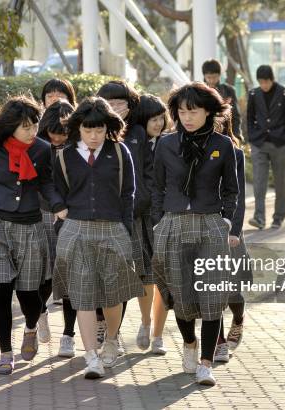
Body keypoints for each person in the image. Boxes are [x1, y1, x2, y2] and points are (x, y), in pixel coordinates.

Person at [0, 96, 67, 375]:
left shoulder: (43, 149)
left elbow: (47, 183)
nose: (32, 131)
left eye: (35, 125)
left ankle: (32, 327)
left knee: (29, 295)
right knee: (1, 291)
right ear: (11, 126)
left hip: (31, 227)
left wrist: (59, 206)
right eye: (25, 126)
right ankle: (5, 353)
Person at [151, 82, 239, 386]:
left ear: (208, 111)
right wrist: (158, 222)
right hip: (174, 224)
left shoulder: (223, 145)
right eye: (182, 111)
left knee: (213, 296)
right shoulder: (165, 144)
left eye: (194, 111)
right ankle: (189, 343)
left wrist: (226, 223)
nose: (187, 117)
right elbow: (156, 187)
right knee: (182, 296)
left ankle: (206, 363)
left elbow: (231, 191)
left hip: (210, 225)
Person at [52, 97, 144, 379]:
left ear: (108, 129)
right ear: (78, 128)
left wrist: (126, 231)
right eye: (88, 130)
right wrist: (58, 207)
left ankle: (112, 340)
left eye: (99, 131)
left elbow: (128, 194)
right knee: (83, 297)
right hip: (76, 229)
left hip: (113, 229)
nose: (93, 136)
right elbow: (52, 187)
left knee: (113, 295)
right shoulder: (64, 156)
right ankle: (91, 355)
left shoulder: (119, 152)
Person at [96, 81, 155, 354]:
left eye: (122, 103)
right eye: (112, 103)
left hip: (135, 215)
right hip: (102, 213)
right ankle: (104, 326)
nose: (118, 108)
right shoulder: (95, 132)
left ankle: (114, 332)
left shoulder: (138, 133)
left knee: (127, 275)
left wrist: (145, 201)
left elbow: (147, 171)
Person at [36, 99, 78, 356]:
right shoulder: (39, 148)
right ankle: (40, 312)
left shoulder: (78, 148)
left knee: (69, 278)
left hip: (71, 217)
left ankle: (69, 335)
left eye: (63, 133)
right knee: (45, 277)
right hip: (41, 215)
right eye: (53, 133)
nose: (58, 138)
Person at [131, 94, 172, 355]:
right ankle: (146, 323)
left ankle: (158, 334)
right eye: (152, 119)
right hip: (142, 216)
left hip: (168, 216)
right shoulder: (135, 144)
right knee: (146, 273)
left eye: (160, 118)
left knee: (165, 276)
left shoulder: (170, 143)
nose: (157, 124)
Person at [213, 125, 251, 363]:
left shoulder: (234, 153)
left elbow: (239, 196)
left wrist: (234, 230)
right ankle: (218, 343)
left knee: (233, 290)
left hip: (229, 228)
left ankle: (238, 319)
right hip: (203, 227)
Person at [247, 64, 285, 230]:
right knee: (259, 181)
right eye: (261, 82)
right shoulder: (254, 94)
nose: (264, 85)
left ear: (272, 79)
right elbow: (250, 118)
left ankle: (278, 217)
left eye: (266, 81)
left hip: (280, 144)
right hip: (259, 143)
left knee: (280, 182)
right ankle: (259, 217)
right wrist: (252, 138)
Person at [202, 58, 243, 140]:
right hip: (203, 134)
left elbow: (235, 115)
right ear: (204, 76)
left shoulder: (229, 90)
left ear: (219, 75)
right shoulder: (199, 91)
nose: (211, 80)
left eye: (214, 77)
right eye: (208, 77)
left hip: (225, 135)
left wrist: (236, 135)